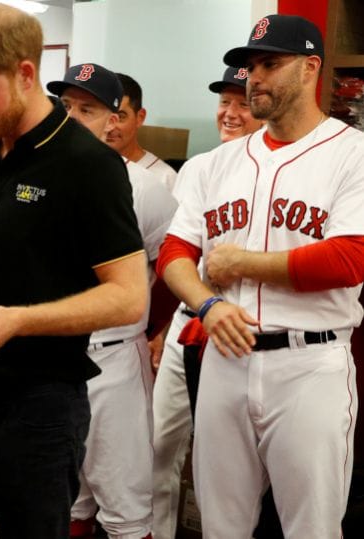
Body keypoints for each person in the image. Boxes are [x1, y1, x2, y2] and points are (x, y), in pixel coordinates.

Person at [0, 5, 148, 538]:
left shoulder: (90, 166)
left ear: (24, 74)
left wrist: (19, 321)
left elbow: (130, 297)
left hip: (44, 402)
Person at [157, 14, 364, 537]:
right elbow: (175, 256)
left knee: (311, 528)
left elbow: (349, 259)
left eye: (271, 63)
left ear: (310, 68)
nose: (254, 77)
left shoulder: (352, 154)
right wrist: (208, 303)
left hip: (310, 364)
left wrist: (241, 263)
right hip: (224, 361)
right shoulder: (214, 164)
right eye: (250, 66)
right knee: (220, 526)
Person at [48, 62, 177, 539]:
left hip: (113, 359)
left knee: (124, 507)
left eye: (88, 109)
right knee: (66, 499)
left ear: (115, 119)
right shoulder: (36, 174)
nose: (73, 117)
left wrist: (146, 326)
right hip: (53, 357)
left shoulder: (143, 188)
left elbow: (173, 266)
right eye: (65, 107)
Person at [151, 65, 263, 539]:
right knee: (157, 444)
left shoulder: (278, 170)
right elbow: (175, 256)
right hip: (188, 320)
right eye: (225, 101)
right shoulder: (199, 167)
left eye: (242, 103)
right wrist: (160, 329)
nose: (230, 112)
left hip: (242, 329)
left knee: (235, 464)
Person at [105, 73, 178, 191]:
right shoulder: (83, 168)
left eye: (120, 116)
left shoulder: (164, 178)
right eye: (103, 115)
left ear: (140, 117)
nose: (109, 127)